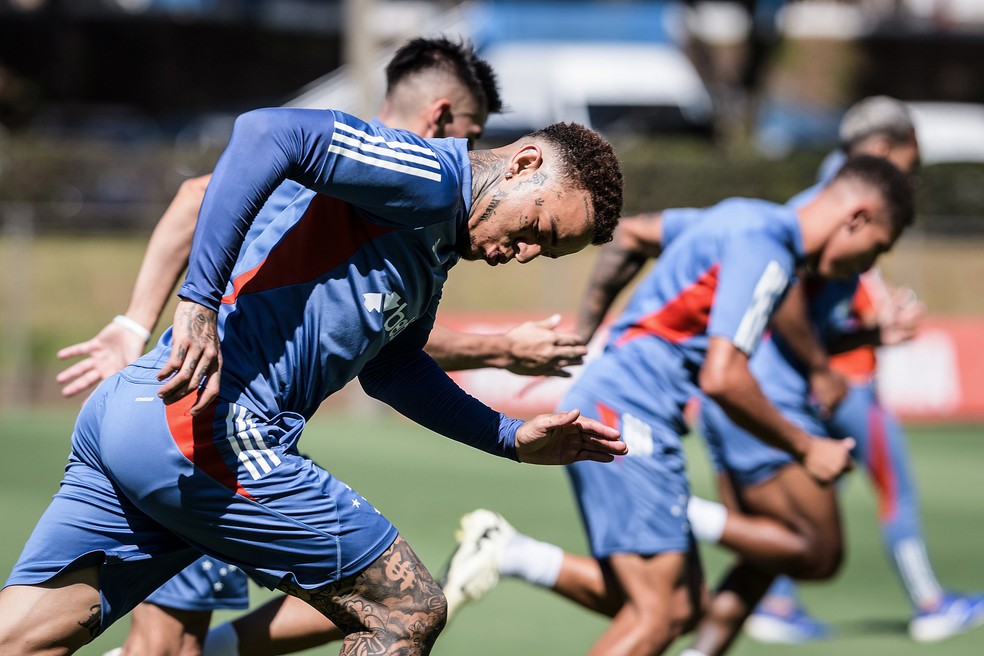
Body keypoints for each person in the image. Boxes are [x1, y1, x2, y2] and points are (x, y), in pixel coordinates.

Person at [0, 101, 627, 656]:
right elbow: (268, 134)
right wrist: (196, 301)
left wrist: (509, 437)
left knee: (23, 640)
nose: (518, 255)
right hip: (204, 423)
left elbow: (393, 368)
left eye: (541, 254)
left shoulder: (432, 246)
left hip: (142, 413)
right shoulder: (434, 178)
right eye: (537, 231)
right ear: (522, 164)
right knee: (406, 610)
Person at [441, 154, 915, 655]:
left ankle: (512, 554)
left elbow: (634, 236)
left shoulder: (740, 216)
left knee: (683, 605)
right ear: (857, 218)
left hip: (622, 404)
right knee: (659, 613)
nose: (865, 268)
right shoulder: (769, 248)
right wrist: (806, 448)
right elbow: (723, 377)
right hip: (629, 415)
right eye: (875, 251)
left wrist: (588, 333)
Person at [731, 95, 984, 646]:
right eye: (909, 165)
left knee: (820, 488)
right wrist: (823, 369)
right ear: (881, 151)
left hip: (809, 373)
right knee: (891, 479)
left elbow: (820, 302)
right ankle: (930, 603)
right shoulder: (831, 205)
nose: (912, 180)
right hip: (818, 379)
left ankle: (774, 598)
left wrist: (873, 328)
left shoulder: (833, 198)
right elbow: (790, 293)